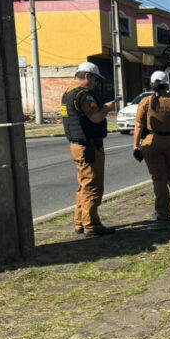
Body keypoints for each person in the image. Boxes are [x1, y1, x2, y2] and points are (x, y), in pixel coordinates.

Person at [61, 62, 116, 237]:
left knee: (83, 185)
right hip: (89, 146)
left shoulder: (68, 93)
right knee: (92, 186)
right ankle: (91, 225)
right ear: (87, 76)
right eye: (96, 80)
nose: (96, 84)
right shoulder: (84, 95)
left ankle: (80, 222)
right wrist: (107, 108)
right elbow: (96, 118)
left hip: (77, 145)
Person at [133, 70, 170, 221]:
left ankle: (163, 212)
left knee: (159, 179)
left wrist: (136, 145)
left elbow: (139, 126)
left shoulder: (146, 101)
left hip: (152, 141)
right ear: (168, 84)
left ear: (152, 84)